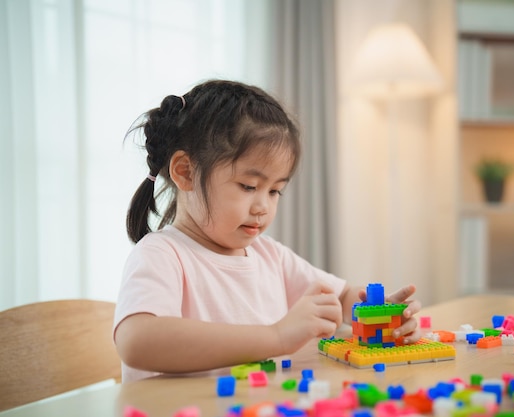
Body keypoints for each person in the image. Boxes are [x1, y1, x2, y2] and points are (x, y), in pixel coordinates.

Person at [114, 79, 421, 382]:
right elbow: (137, 341)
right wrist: (276, 336)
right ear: (185, 172)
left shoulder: (269, 256)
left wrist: (380, 316)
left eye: (275, 191)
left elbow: (341, 298)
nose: (263, 206)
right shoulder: (162, 255)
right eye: (249, 186)